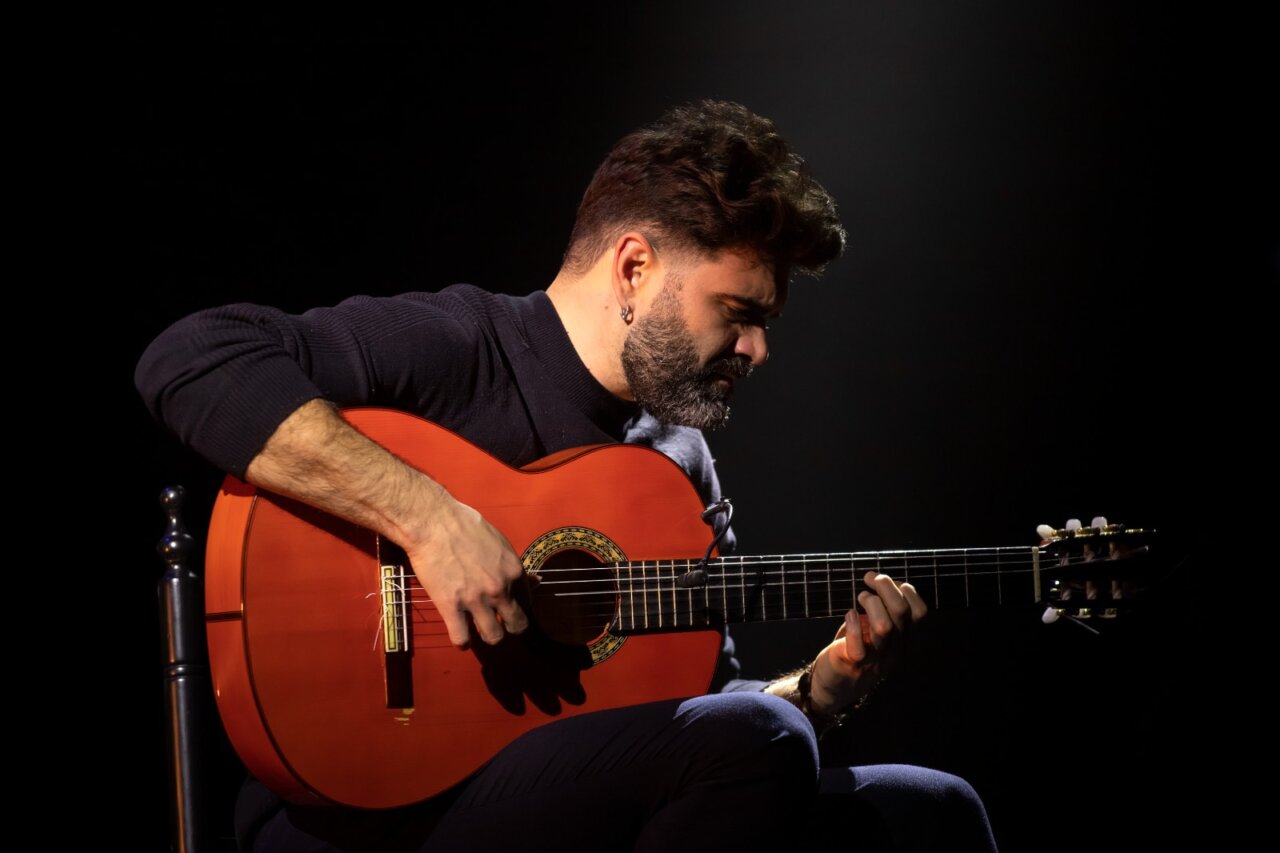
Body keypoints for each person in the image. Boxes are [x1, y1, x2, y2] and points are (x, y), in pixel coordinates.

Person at [137, 99, 998, 852]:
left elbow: (702, 704)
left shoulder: (679, 458)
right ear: (634, 268)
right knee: (760, 737)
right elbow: (193, 357)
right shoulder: (461, 346)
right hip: (364, 810)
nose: (757, 349)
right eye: (738, 313)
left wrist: (820, 688)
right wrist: (428, 519)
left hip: (571, 793)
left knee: (933, 809)